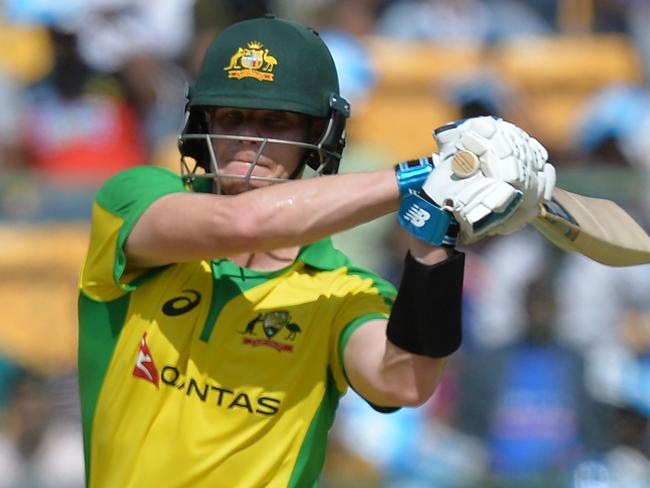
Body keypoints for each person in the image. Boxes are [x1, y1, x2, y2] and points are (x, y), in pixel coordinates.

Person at [77, 14, 555, 487]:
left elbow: (404, 383)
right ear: (202, 124)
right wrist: (421, 174)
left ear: (316, 138)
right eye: (233, 116)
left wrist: (440, 230)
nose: (250, 137)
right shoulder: (136, 198)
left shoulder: (342, 293)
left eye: (277, 122)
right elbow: (243, 223)